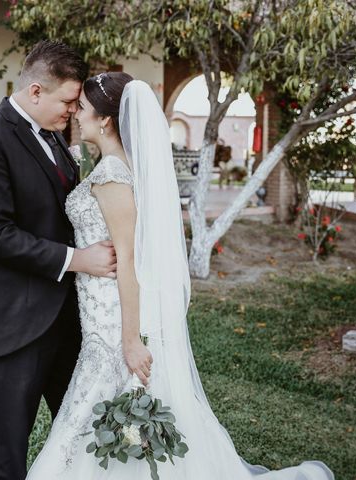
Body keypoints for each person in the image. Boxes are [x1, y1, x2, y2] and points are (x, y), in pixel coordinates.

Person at [26, 72, 335, 480]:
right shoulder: (112, 169)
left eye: (81, 108)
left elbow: (132, 263)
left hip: (114, 319)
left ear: (105, 121)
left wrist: (131, 339)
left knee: (100, 408)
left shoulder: (112, 177)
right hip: (100, 312)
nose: (75, 115)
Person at [0, 41, 117, 480]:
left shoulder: (56, 139)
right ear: (37, 90)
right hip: (15, 322)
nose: (72, 111)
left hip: (68, 318)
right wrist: (78, 259)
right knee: (12, 442)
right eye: (67, 101)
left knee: (79, 428)